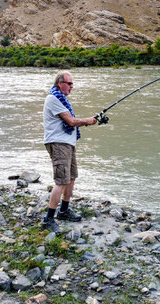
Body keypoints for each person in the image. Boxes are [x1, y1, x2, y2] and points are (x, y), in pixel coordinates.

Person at [42, 71, 97, 234]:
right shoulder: (53, 98)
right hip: (59, 144)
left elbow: (71, 122)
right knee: (61, 181)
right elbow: (71, 121)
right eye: (69, 83)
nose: (72, 87)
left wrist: (89, 121)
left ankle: (64, 211)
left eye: (72, 84)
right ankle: (48, 220)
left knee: (71, 177)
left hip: (67, 143)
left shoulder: (61, 98)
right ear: (60, 84)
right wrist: (88, 121)